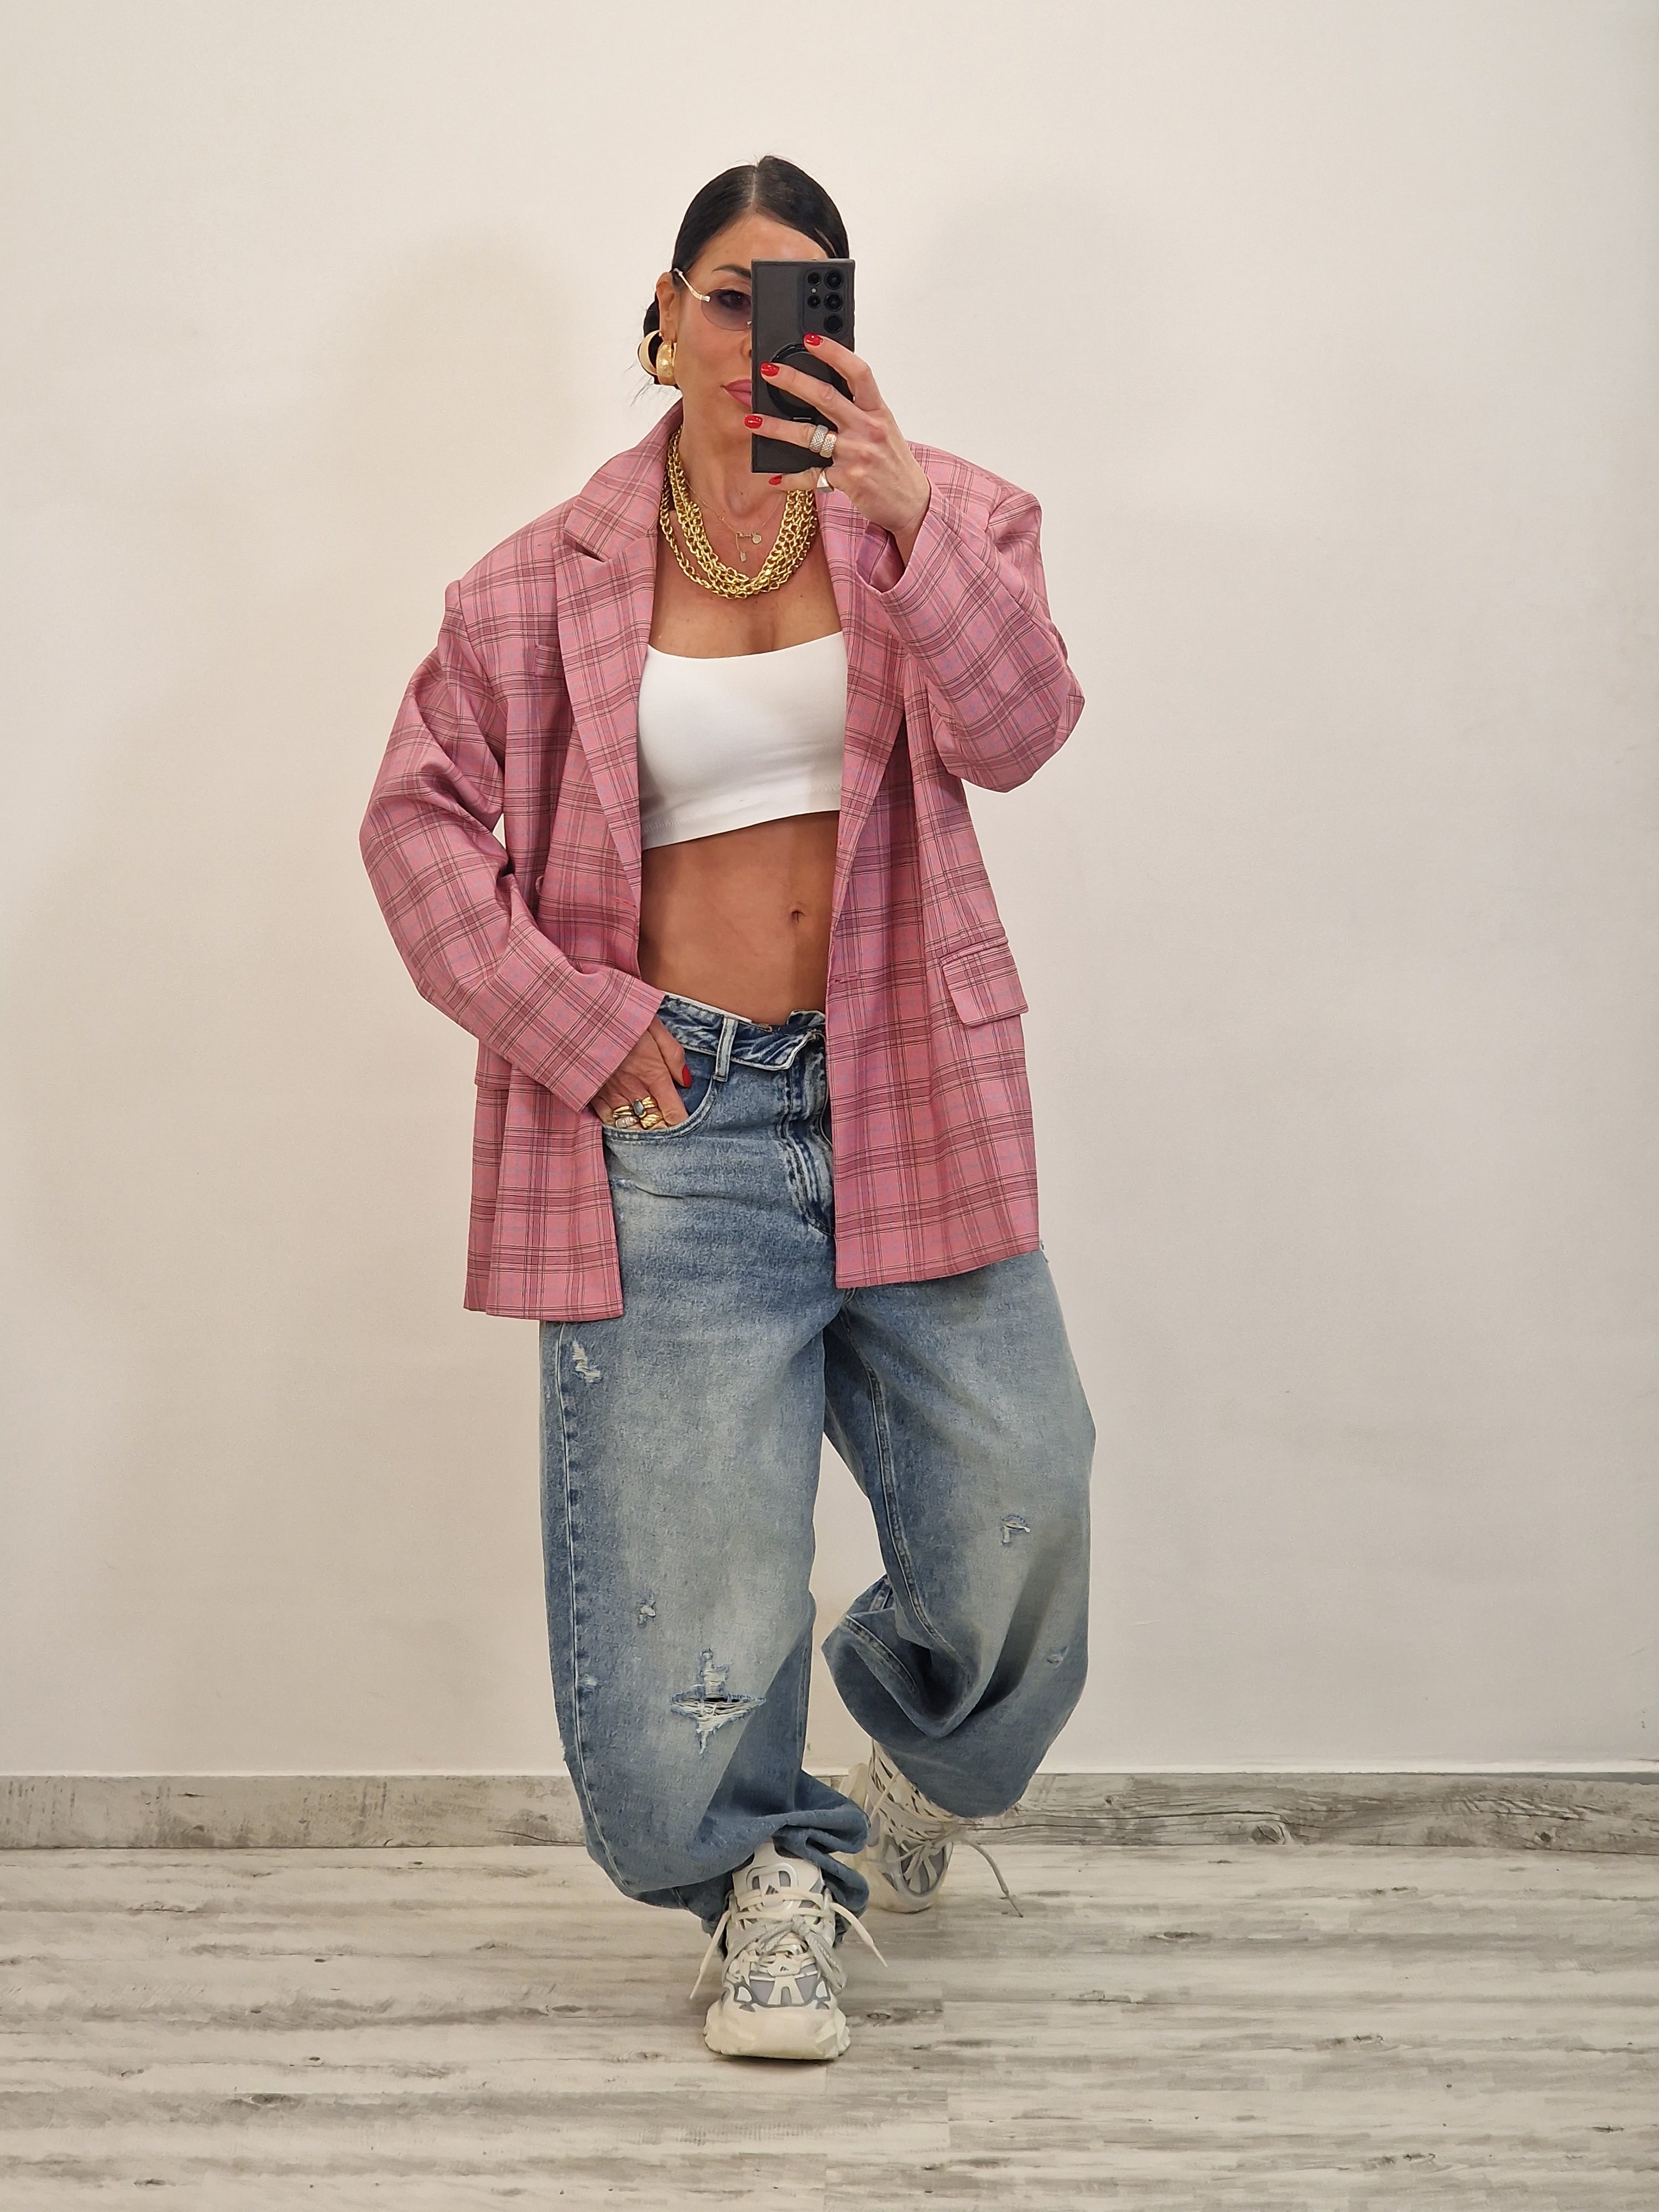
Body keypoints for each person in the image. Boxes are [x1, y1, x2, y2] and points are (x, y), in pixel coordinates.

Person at [360, 155, 1095, 2064]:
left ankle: (920, 1756)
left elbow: (1024, 733)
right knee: (696, 1591)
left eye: (806, 298)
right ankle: (769, 1878)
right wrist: (571, 1019)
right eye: (730, 295)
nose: (761, 332)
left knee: (1024, 1497)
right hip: (675, 1123)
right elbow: (413, 827)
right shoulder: (534, 584)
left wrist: (913, 523)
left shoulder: (948, 520)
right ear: (666, 317)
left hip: (905, 1082)